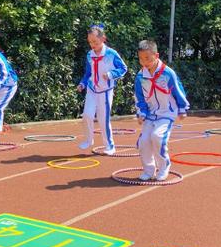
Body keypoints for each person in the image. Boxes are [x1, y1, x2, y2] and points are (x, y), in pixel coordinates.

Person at [134, 40, 189, 181]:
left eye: (147, 58)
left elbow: (178, 90)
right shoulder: (140, 76)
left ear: (156, 55)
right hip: (150, 114)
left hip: (166, 112)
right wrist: (141, 113)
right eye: (141, 59)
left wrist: (182, 108)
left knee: (157, 137)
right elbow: (139, 97)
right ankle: (148, 170)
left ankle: (164, 167)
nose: (144, 62)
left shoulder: (168, 73)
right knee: (144, 141)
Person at [77, 24, 128, 155]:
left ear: (103, 39)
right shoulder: (89, 55)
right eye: (90, 42)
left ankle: (110, 146)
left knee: (103, 119)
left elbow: (123, 68)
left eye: (94, 41)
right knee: (87, 115)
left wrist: (111, 74)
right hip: (92, 89)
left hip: (105, 91)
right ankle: (89, 140)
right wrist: (82, 84)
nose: (92, 44)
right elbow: (88, 73)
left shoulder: (111, 53)